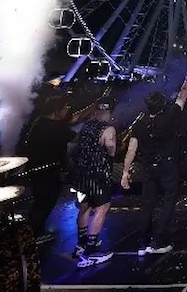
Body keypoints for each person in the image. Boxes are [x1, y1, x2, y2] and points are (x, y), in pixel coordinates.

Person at [121, 32, 187, 255]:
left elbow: (132, 148)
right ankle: (158, 241)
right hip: (168, 164)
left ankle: (142, 242)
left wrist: (125, 172)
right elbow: (184, 92)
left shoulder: (140, 122)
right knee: (169, 200)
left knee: (147, 203)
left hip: (148, 165)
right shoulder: (169, 115)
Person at [22, 91, 78, 243]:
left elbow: (73, 119)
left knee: (40, 201)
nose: (67, 110)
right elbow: (76, 138)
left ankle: (33, 231)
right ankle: (35, 234)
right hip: (47, 172)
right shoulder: (55, 128)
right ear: (56, 111)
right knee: (45, 202)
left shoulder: (40, 121)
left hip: (37, 169)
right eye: (65, 108)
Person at [71, 99, 117, 267]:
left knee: (84, 207)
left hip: (81, 176)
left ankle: (81, 245)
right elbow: (111, 152)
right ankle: (91, 251)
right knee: (101, 208)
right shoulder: (108, 129)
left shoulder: (86, 126)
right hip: (98, 176)